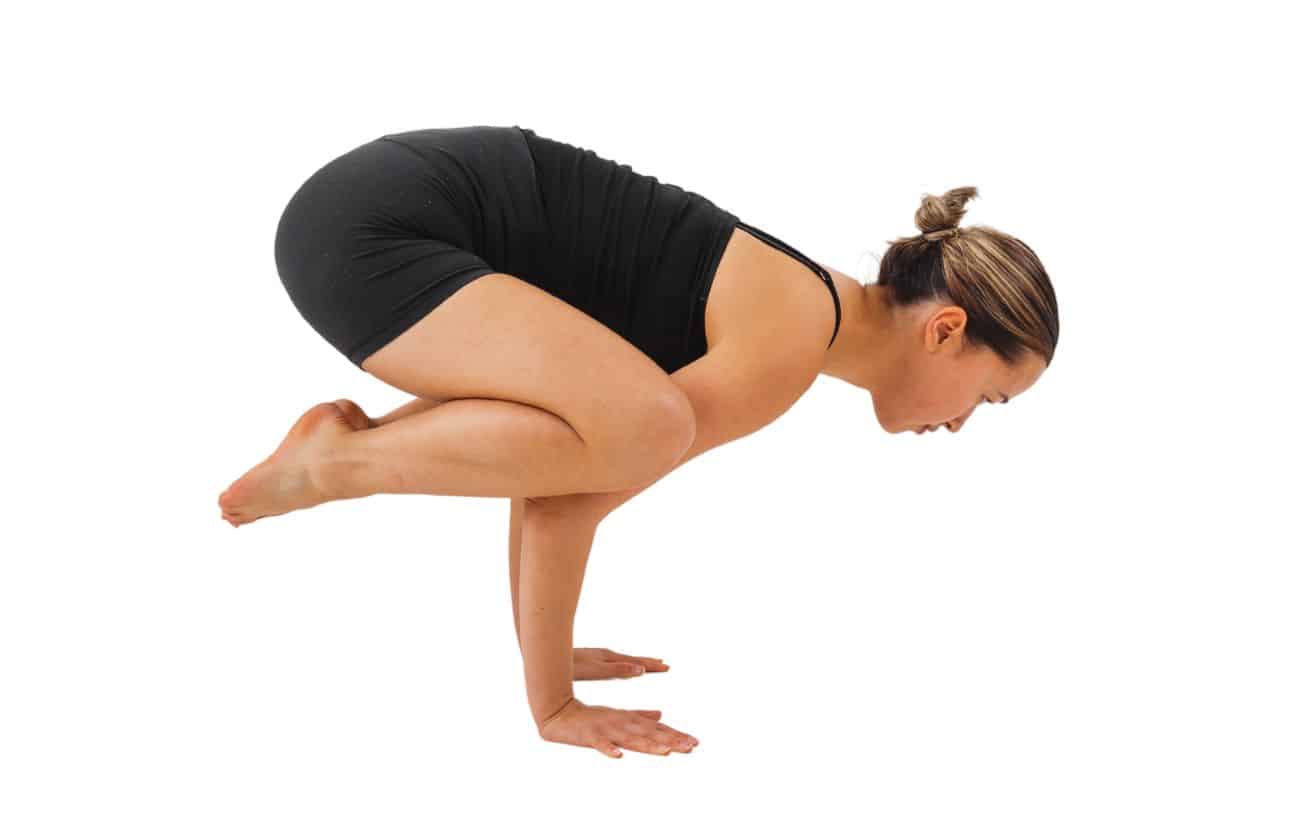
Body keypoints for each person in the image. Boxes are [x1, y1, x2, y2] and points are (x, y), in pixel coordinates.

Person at [218, 125, 1059, 759]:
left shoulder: (804, 310)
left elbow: (555, 466)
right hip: (374, 234)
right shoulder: (789, 344)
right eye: (985, 397)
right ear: (946, 329)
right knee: (650, 424)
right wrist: (552, 705)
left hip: (359, 218)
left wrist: (547, 644)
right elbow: (562, 505)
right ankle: (338, 461)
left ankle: (340, 453)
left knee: (628, 424)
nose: (958, 424)